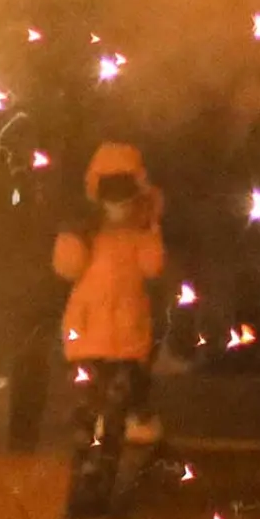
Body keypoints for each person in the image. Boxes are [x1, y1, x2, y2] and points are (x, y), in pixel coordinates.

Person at [49, 142, 168, 484]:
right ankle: (80, 477)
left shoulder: (139, 232)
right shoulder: (87, 232)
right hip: (86, 339)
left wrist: (150, 222)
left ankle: (100, 479)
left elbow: (154, 265)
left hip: (125, 342)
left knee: (113, 416)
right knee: (84, 415)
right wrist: (76, 233)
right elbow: (66, 267)